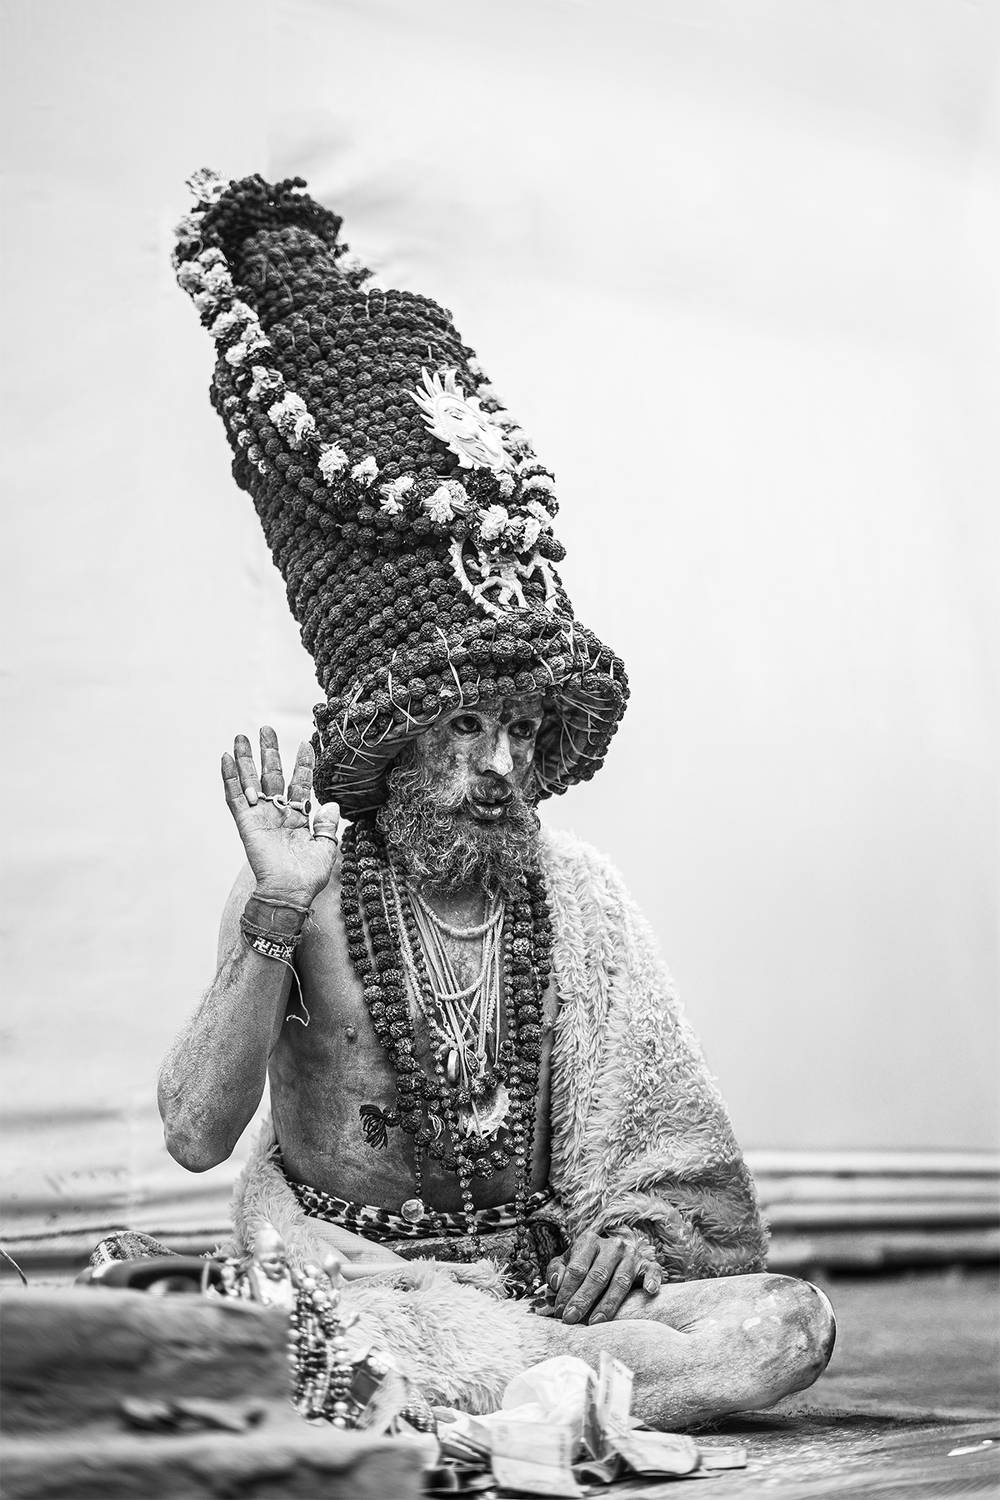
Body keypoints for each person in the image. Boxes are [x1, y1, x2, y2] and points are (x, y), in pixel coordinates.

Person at [158, 170, 835, 1427]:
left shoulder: (576, 896)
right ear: (397, 735)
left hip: (535, 1284)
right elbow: (196, 1135)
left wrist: (627, 1239)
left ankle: (514, 1388)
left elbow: (662, 1151)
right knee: (352, 1329)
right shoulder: (304, 893)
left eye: (520, 729)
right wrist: (271, 913)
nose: (500, 766)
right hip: (358, 1279)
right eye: (467, 724)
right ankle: (514, 1387)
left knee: (787, 1320)